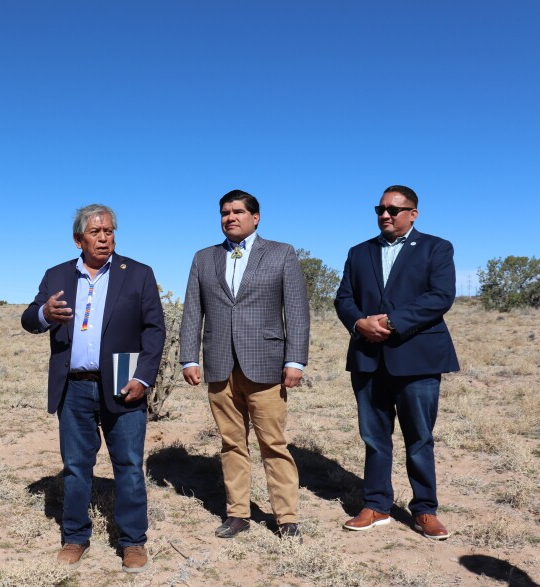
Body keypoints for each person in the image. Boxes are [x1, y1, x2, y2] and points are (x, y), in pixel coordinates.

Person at [21, 204, 165, 573]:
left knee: (130, 465)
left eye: (110, 231)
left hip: (122, 384)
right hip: (74, 388)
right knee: (75, 467)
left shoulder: (137, 274)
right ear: (78, 240)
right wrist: (44, 315)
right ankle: (75, 537)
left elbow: (154, 331)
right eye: (96, 232)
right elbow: (29, 318)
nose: (104, 238)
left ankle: (133, 541)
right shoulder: (56, 275)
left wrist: (144, 377)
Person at [179, 189, 310, 540]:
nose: (230, 217)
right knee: (231, 443)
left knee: (273, 444)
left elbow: (296, 311)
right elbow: (193, 310)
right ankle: (238, 513)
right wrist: (189, 357)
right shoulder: (203, 258)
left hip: (266, 364)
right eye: (225, 212)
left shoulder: (281, 253)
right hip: (220, 365)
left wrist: (295, 360)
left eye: (238, 211)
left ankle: (286, 517)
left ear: (256, 217)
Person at [335, 185, 459, 540]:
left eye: (393, 209)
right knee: (375, 438)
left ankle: (424, 510)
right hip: (368, 359)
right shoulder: (359, 252)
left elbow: (440, 296)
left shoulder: (437, 247)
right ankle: (376, 505)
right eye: (380, 209)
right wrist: (359, 323)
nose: (385, 215)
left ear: (413, 213)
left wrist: (390, 322)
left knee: (419, 438)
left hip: (417, 359)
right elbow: (344, 297)